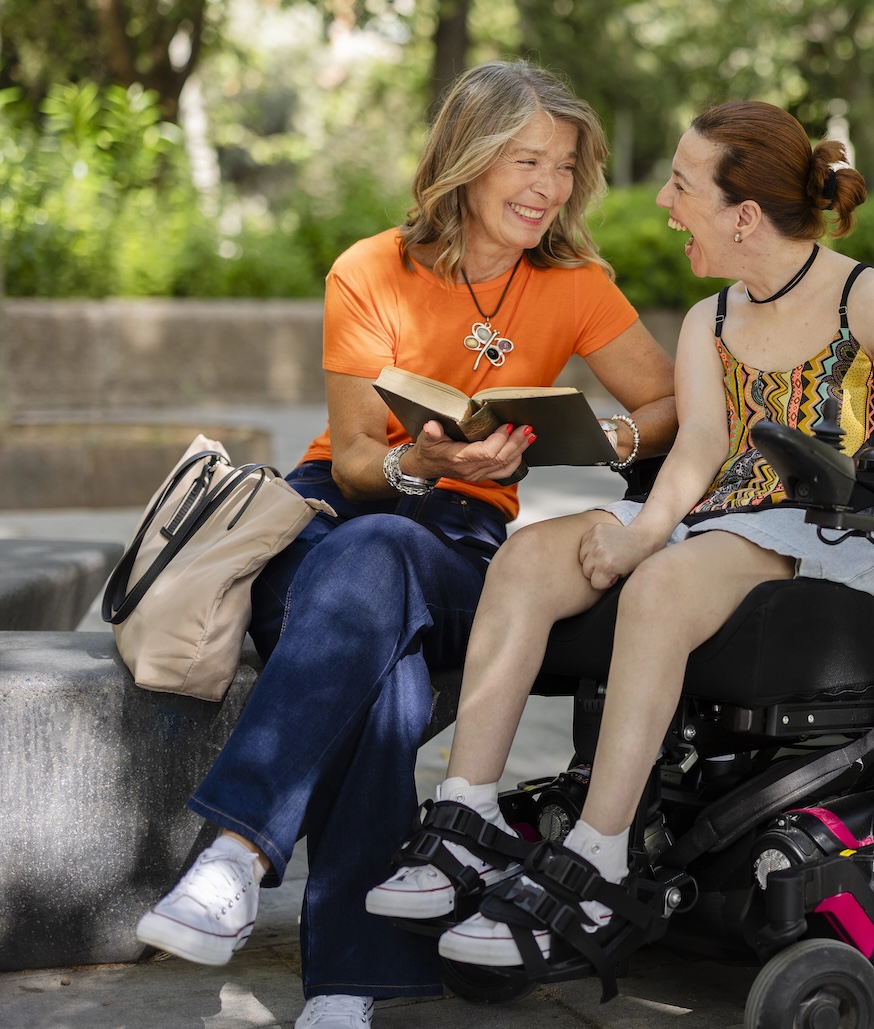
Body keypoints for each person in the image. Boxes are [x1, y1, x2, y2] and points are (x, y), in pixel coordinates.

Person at [364, 100, 874, 973]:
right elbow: (698, 446)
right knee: (531, 554)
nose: (663, 199)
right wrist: (640, 532)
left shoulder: (868, 299)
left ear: (743, 215)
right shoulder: (714, 319)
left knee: (661, 585)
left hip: (840, 533)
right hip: (722, 522)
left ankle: (598, 855)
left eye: (681, 184)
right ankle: (465, 818)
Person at [132, 61, 675, 1029]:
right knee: (383, 670)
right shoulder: (370, 269)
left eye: (563, 165)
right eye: (525, 160)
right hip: (334, 524)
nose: (548, 185)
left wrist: (606, 437)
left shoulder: (575, 283)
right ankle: (350, 983)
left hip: (463, 547)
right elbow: (348, 465)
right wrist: (422, 461)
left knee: (382, 564)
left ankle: (237, 855)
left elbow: (667, 403)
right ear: (465, 159)